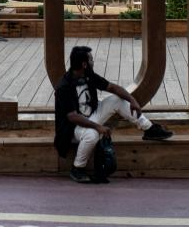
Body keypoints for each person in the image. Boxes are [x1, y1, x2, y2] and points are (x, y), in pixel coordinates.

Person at [54, 45, 173, 183]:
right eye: (91, 60)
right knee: (92, 135)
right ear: (84, 64)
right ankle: (77, 168)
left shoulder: (88, 75)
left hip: (90, 116)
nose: (93, 62)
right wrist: (98, 127)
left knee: (116, 99)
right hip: (72, 128)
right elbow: (72, 117)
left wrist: (132, 100)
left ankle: (149, 128)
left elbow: (111, 87)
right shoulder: (64, 86)